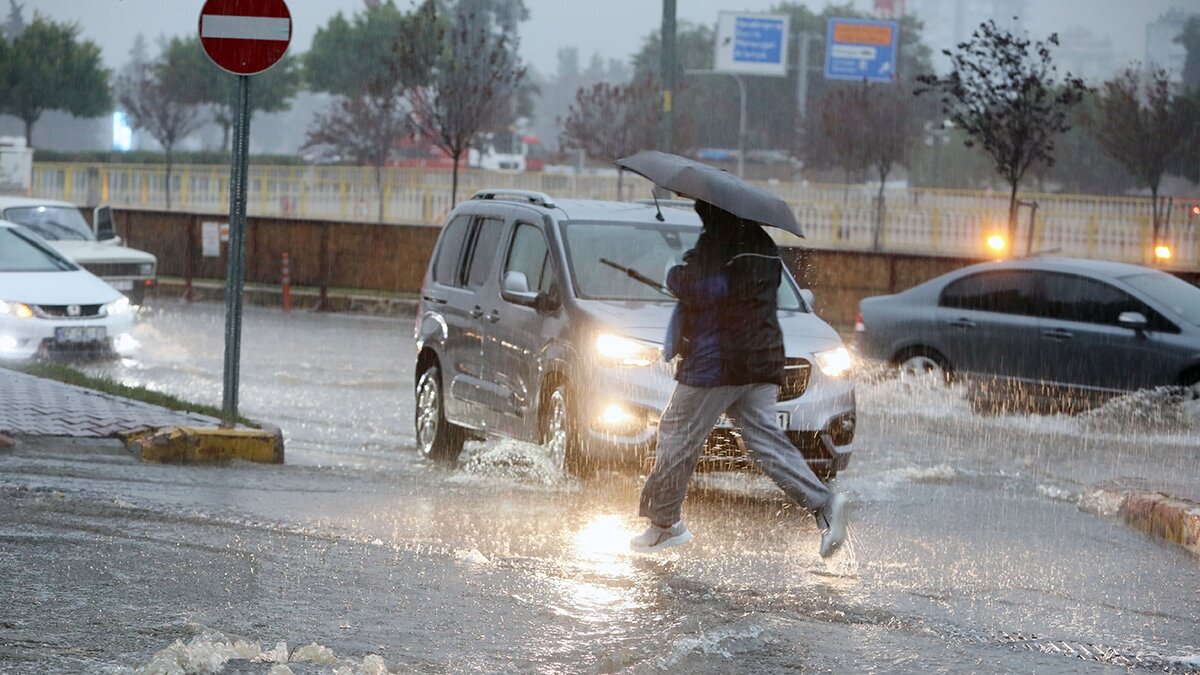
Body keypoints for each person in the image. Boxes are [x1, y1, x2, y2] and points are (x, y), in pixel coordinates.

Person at [630, 200, 850, 558]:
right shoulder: (763, 245)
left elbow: (707, 292)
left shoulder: (719, 241)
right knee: (765, 442)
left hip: (717, 362)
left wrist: (677, 274)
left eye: (704, 208)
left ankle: (664, 524)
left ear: (713, 210)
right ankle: (824, 504)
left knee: (676, 433)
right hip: (761, 360)